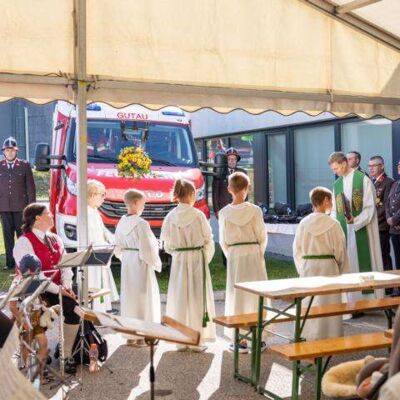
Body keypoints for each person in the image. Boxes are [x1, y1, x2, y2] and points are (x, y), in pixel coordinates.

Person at [13, 203, 79, 374]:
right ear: (38, 218)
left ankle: (66, 354)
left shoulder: (56, 238)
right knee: (38, 320)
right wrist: (59, 290)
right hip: (34, 292)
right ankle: (38, 354)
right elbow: (35, 275)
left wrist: (67, 285)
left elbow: (66, 265)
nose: (52, 216)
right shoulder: (23, 242)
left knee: (75, 310)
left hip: (58, 288)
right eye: (48, 213)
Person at [161, 179, 216, 352]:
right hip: (197, 259)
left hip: (179, 261)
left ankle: (180, 340)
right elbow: (208, 239)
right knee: (197, 298)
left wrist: (178, 253)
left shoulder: (170, 217)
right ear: (192, 195)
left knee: (180, 298)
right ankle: (197, 341)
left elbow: (166, 245)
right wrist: (205, 258)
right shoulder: (198, 215)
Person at [219, 172, 268, 353]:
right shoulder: (255, 210)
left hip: (235, 254)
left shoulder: (224, 213)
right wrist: (258, 253)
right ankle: (258, 338)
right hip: (253, 253)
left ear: (229, 189)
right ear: (247, 188)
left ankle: (240, 339)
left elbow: (223, 240)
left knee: (237, 295)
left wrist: (231, 254)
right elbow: (262, 235)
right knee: (256, 295)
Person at [293, 187, 349, 340]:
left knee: (310, 304)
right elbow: (341, 251)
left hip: (308, 268)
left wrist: (302, 268)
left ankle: (309, 336)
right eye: (330, 200)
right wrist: (341, 271)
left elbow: (297, 250)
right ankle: (331, 337)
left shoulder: (304, 223)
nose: (331, 203)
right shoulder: (334, 224)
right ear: (325, 200)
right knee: (329, 303)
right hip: (329, 269)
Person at [329, 152, 383, 303]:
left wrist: (356, 220)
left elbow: (370, 207)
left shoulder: (363, 180)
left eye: (336, 168)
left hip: (361, 231)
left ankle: (368, 300)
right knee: (349, 265)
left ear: (344, 163)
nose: (335, 172)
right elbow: (334, 210)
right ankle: (351, 300)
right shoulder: (337, 184)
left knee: (362, 264)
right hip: (344, 233)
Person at [114, 189, 161, 347]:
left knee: (130, 298)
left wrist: (126, 257)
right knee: (143, 297)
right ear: (135, 203)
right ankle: (143, 335)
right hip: (140, 262)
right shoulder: (141, 223)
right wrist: (155, 262)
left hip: (128, 261)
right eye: (143, 203)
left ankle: (130, 335)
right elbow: (148, 247)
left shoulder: (121, 222)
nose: (144, 206)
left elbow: (117, 246)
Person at [0, 137, 36, 270]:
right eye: (7, 150)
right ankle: (10, 263)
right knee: (7, 236)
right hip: (4, 207)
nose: (10, 153)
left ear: (16, 151)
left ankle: (23, 262)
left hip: (21, 208)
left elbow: (31, 188)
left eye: (12, 150)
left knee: (22, 236)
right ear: (4, 152)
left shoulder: (24, 165)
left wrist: (31, 209)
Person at [86, 179, 119, 312]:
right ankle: (96, 311)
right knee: (95, 283)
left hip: (100, 252)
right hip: (94, 255)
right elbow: (93, 238)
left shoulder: (94, 211)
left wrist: (115, 240)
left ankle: (102, 309)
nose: (104, 198)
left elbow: (103, 232)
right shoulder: (87, 213)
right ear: (92, 195)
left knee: (101, 283)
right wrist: (107, 246)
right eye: (102, 194)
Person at [212, 147, 247, 267]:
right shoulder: (219, 172)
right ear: (226, 160)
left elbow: (246, 192)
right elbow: (215, 192)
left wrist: (245, 206)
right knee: (225, 234)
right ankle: (226, 261)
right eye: (229, 159)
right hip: (224, 209)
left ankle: (239, 258)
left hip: (239, 208)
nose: (232, 161)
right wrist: (216, 209)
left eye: (234, 159)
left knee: (239, 233)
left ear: (237, 160)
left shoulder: (242, 173)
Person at [368, 156, 394, 273]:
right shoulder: (370, 181)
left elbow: (386, 206)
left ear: (382, 166)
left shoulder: (388, 182)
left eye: (374, 165)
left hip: (381, 226)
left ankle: (389, 282)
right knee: (374, 257)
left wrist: (372, 219)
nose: (371, 168)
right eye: (369, 166)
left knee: (383, 256)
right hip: (371, 225)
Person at [387, 160, 400, 270]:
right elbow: (387, 203)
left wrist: (394, 220)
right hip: (394, 230)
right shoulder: (395, 184)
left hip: (397, 224)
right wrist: (389, 219)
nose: (399, 166)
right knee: (398, 260)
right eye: (399, 164)